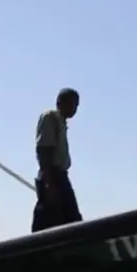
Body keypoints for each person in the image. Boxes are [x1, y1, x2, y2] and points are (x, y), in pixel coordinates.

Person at [32, 88, 81, 233]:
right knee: (51, 215)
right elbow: (44, 151)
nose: (74, 109)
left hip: (60, 175)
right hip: (52, 175)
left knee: (67, 218)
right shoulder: (51, 118)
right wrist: (49, 184)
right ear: (60, 103)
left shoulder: (62, 123)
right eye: (71, 104)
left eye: (76, 105)